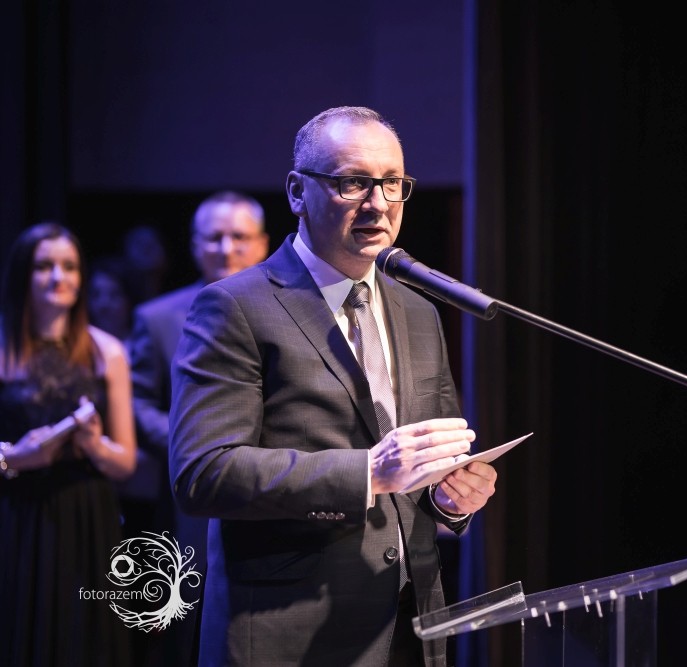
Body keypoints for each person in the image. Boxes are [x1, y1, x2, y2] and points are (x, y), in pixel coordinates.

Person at [169, 106, 498, 666]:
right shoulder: (234, 307)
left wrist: (450, 498)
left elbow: (427, 466)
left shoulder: (420, 311)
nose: (378, 203)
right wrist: (366, 473)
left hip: (411, 628)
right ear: (297, 192)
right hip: (291, 633)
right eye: (353, 183)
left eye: (392, 183)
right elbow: (203, 472)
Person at [127, 190, 269, 666]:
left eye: (239, 237)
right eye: (214, 238)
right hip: (188, 501)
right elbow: (137, 402)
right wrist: (193, 444)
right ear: (194, 245)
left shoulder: (293, 312)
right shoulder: (157, 318)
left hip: (273, 490)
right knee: (184, 628)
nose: (227, 248)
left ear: (262, 243)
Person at [0, 222, 137, 666]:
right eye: (44, 266)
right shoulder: (3, 347)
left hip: (86, 515)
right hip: (16, 511)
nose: (59, 277)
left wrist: (95, 446)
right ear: (23, 274)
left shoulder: (106, 351)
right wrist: (15, 457)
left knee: (84, 640)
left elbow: (126, 462)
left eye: (70, 266)